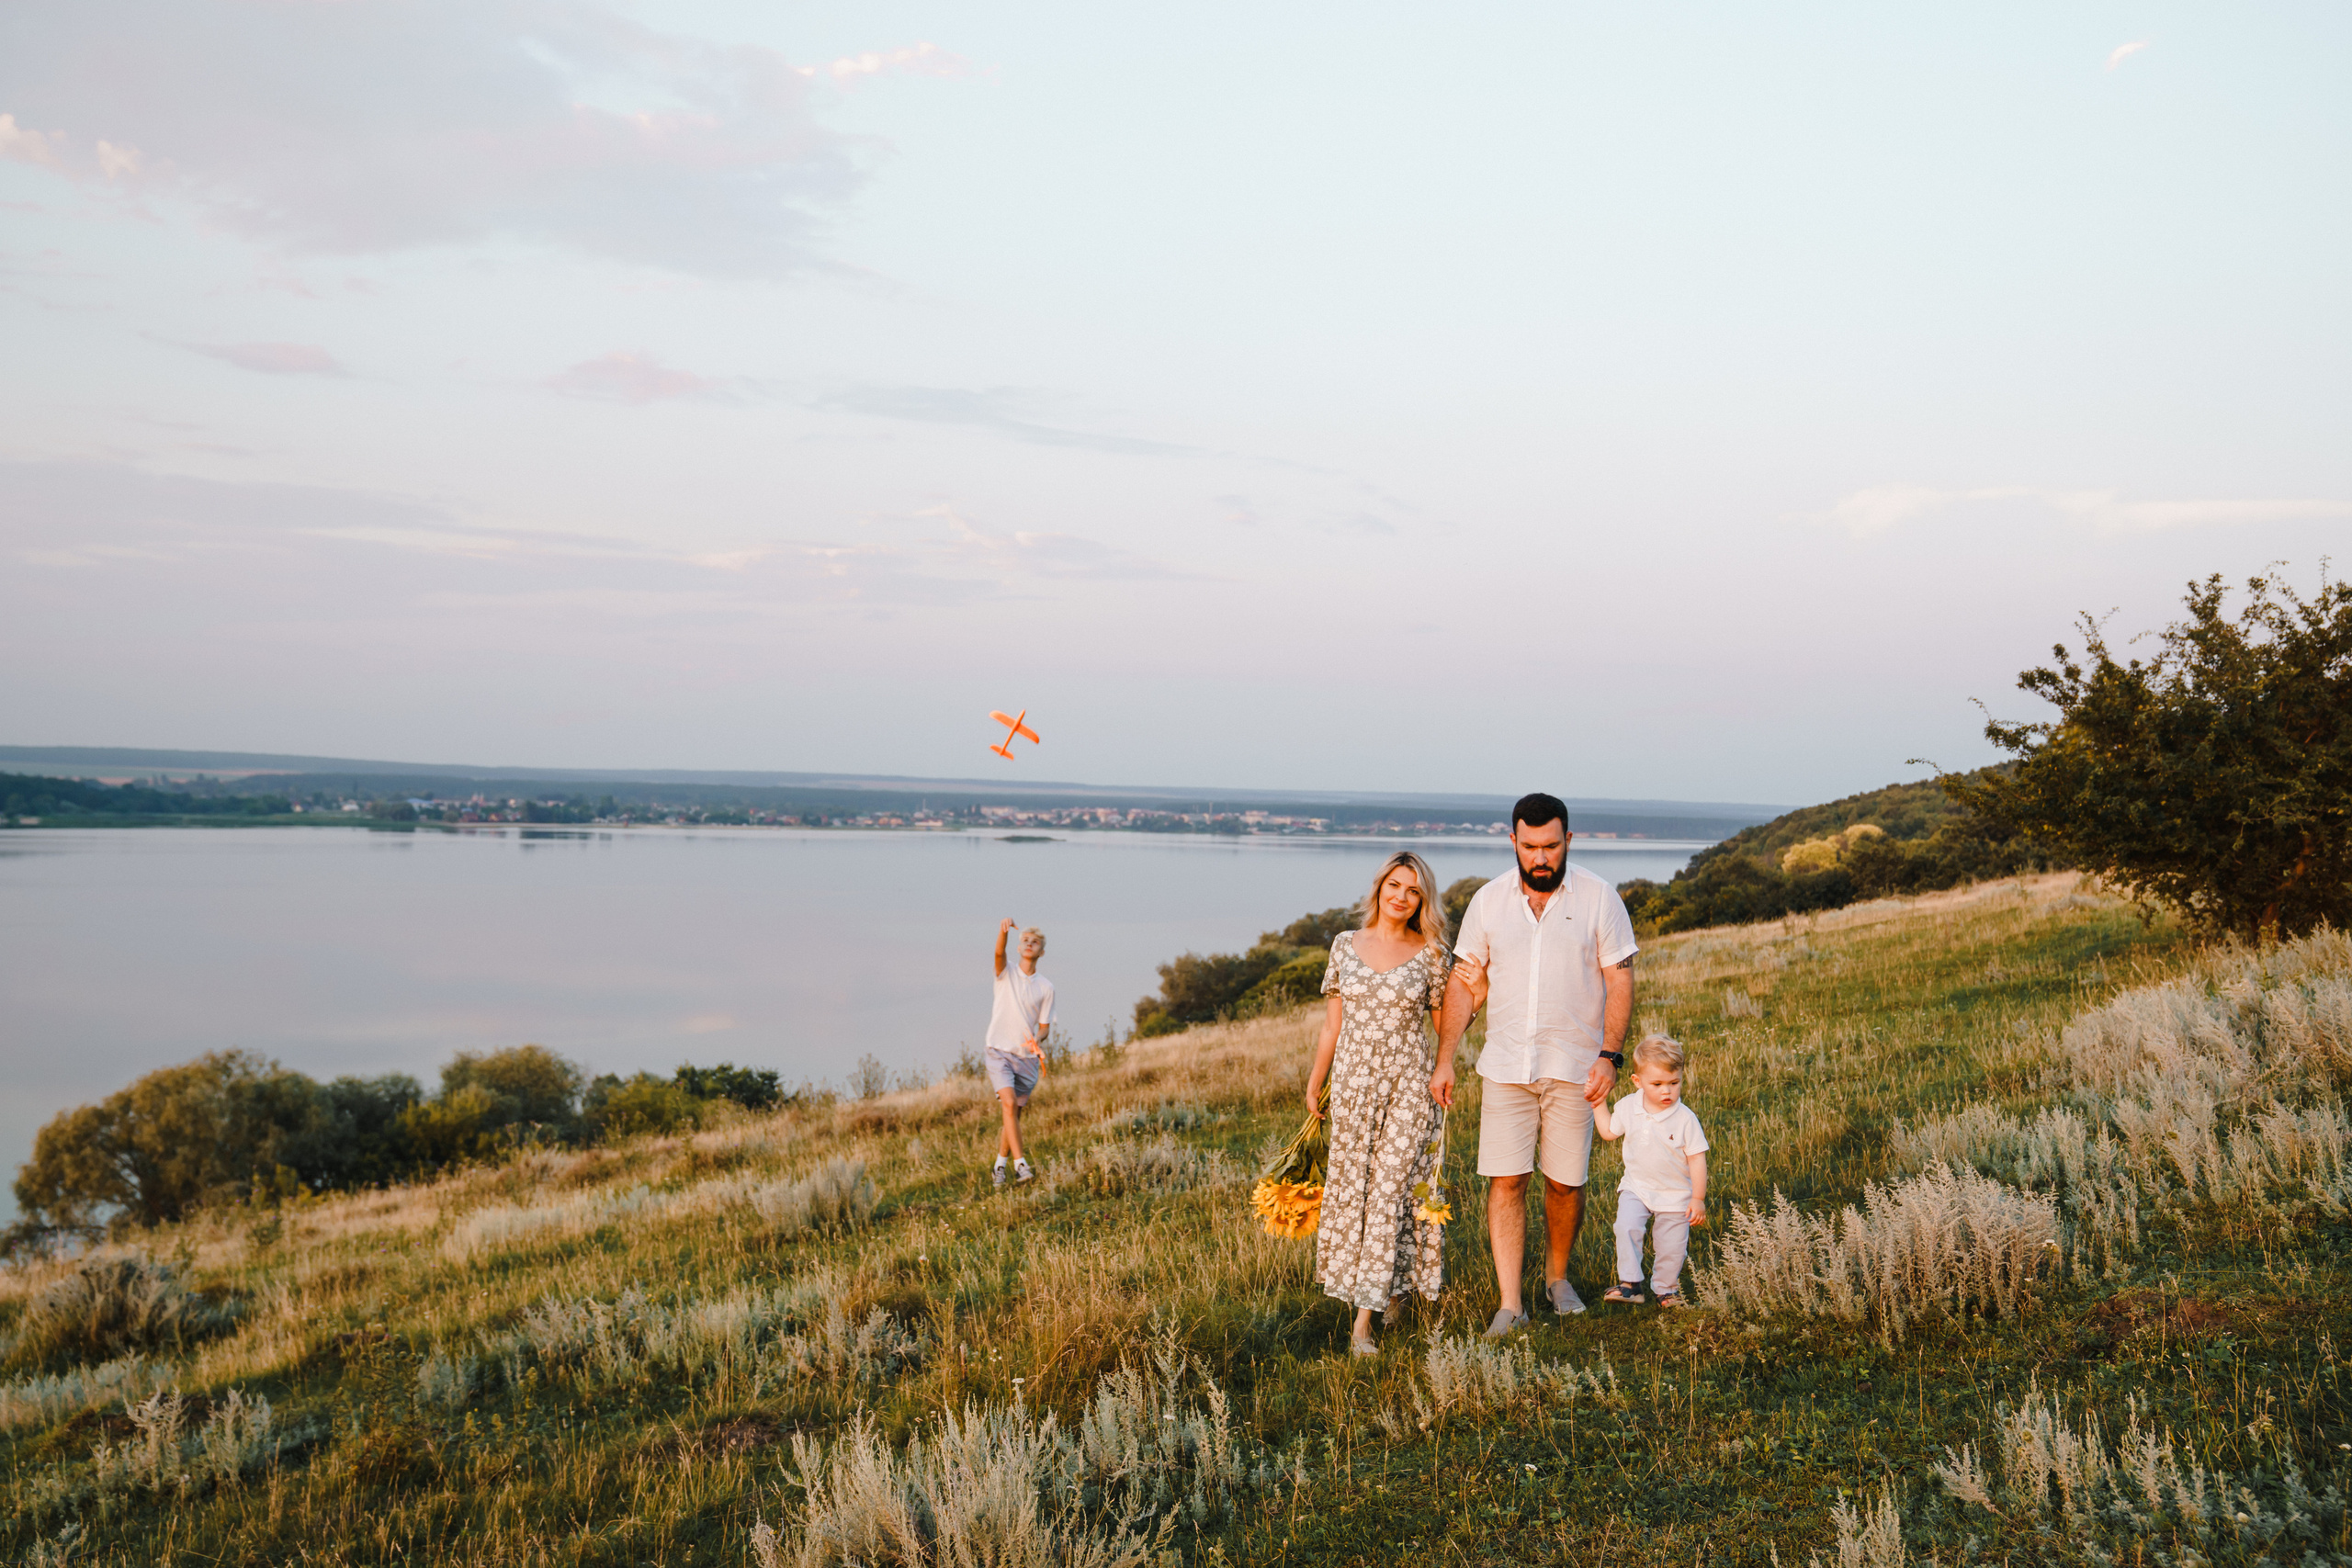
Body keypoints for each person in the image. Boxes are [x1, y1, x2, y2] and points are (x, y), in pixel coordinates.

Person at [1432, 792, 1637, 1337]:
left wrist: (1609, 1057)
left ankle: (1557, 1278)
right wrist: (1445, 1058)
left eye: (1551, 846)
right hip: (1504, 1067)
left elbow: (1619, 979)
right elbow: (1462, 980)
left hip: (1576, 1067)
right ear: (1514, 843)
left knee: (1565, 1183)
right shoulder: (1489, 901)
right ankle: (1510, 1303)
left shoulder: (1599, 898)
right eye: (1530, 847)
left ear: (1568, 840)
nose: (1540, 857)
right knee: (1507, 1181)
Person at [1305, 851, 1452, 1357]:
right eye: (1395, 885)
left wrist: (1473, 998)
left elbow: (1444, 1028)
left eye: (1413, 891)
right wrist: (1314, 1082)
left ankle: (1362, 1324)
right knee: (1358, 1191)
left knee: (1389, 1191)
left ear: (1422, 900)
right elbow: (1331, 1025)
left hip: (1410, 1087)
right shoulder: (1345, 946)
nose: (1402, 897)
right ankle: (1391, 1287)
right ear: (1379, 887)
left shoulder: (1432, 952)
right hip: (1352, 1088)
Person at [1593, 1033, 1709, 1308]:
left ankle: (1666, 1290)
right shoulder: (1629, 1107)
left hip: (1675, 1195)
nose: (1666, 1092)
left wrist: (1698, 1198)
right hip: (1637, 1187)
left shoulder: (1685, 1119)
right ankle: (1631, 1284)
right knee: (1626, 1226)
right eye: (1656, 1084)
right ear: (1638, 1081)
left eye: (1674, 1083)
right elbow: (1609, 1132)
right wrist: (1598, 1104)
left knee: (1670, 1247)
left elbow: (1697, 1159)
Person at [985, 918, 1054, 1188]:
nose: (1029, 944)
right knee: (1009, 1104)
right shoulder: (1006, 973)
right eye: (1024, 941)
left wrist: (1037, 1040)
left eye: (1034, 942)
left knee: (1013, 1115)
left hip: (1027, 1059)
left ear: (1041, 952)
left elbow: (1045, 1027)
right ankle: (1021, 1164)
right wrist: (1002, 930)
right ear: (1018, 947)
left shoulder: (1046, 987)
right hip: (998, 1050)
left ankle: (999, 1167)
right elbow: (998, 953)